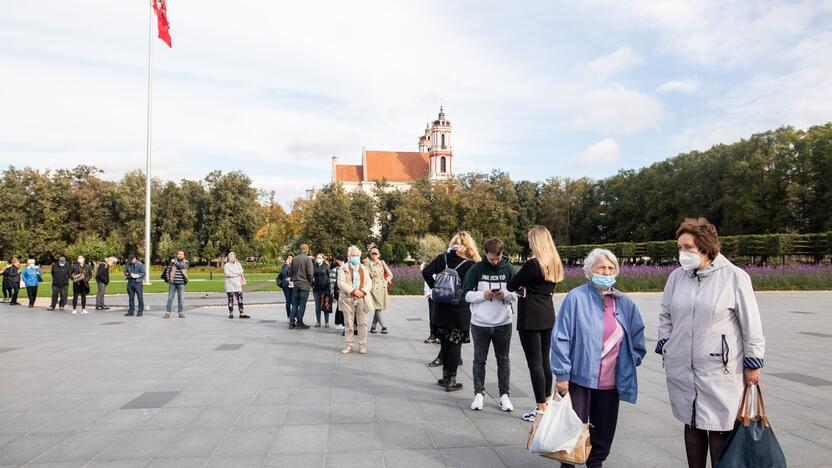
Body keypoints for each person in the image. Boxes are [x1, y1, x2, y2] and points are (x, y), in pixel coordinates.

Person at [657, 218, 766, 468]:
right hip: (683, 365)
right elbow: (665, 314)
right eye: (680, 247)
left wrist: (753, 363)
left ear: (704, 248)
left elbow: (752, 324)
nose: (682, 253)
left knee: (718, 427)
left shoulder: (735, 277)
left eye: (687, 247)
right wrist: (666, 342)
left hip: (719, 368)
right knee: (691, 422)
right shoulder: (676, 277)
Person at [552, 248, 646, 468]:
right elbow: (561, 337)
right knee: (571, 433)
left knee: (602, 437)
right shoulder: (575, 298)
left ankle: (595, 465)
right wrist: (562, 374)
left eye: (611, 268)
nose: (606, 272)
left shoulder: (625, 303)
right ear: (589, 271)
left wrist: (629, 362)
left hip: (611, 384)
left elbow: (637, 337)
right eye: (601, 267)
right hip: (578, 380)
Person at [507, 226, 563, 422]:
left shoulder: (532, 264)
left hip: (530, 314)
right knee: (544, 360)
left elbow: (511, 285)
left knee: (534, 363)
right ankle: (546, 402)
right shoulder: (554, 262)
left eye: (531, 240)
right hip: (547, 312)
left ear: (536, 242)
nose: (529, 243)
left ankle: (540, 407)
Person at [462, 237, 516, 411]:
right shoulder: (476, 269)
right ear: (485, 253)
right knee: (479, 360)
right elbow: (466, 294)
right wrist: (482, 295)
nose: (495, 261)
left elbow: (518, 294)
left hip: (503, 322)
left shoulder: (509, 268)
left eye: (498, 258)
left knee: (504, 360)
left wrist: (505, 295)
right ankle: (479, 394)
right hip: (480, 323)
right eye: (492, 258)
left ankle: (504, 396)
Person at [422, 231, 480, 392]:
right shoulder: (472, 264)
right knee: (455, 344)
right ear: (469, 245)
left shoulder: (443, 258)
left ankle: (444, 377)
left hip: (440, 307)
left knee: (446, 343)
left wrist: (437, 288)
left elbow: (426, 271)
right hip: (459, 309)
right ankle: (451, 381)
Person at [338, 245, 373, 354]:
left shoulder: (363, 268)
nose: (355, 257)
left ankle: (362, 345)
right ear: (349, 256)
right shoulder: (343, 268)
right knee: (348, 323)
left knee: (362, 323)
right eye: (353, 255)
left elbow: (369, 282)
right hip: (348, 299)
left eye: (357, 255)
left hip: (362, 298)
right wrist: (353, 291)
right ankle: (349, 345)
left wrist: (362, 291)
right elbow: (341, 283)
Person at [365, 247, 393, 334]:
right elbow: (365, 274)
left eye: (375, 254)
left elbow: (390, 274)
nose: (374, 255)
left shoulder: (382, 262)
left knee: (379, 308)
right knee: (378, 307)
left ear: (378, 255)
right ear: (370, 254)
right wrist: (370, 273)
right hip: (373, 288)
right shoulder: (367, 263)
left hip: (382, 287)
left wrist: (386, 281)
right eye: (372, 253)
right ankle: (383, 326)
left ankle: (373, 327)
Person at [289, 244, 314, 329]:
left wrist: (293, 279)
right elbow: (310, 273)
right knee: (302, 304)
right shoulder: (307, 259)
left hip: (296, 284)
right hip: (304, 284)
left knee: (295, 303)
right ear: (307, 250)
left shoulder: (294, 259)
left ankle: (291, 322)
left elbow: (290, 272)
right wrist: (310, 282)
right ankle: (300, 322)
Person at [163, 250, 189, 319]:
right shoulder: (172, 262)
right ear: (177, 255)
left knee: (181, 299)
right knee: (170, 298)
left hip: (181, 283)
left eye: (181, 254)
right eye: (179, 254)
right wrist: (169, 279)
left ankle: (180, 313)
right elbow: (167, 270)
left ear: (184, 256)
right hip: (173, 283)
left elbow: (181, 266)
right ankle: (168, 313)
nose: (180, 255)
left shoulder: (186, 262)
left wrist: (175, 262)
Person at [224, 252, 249, 319]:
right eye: (230, 257)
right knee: (230, 300)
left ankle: (242, 313)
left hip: (237, 285)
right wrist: (236, 274)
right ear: (228, 258)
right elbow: (227, 274)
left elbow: (241, 271)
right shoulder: (226, 265)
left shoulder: (238, 264)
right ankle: (231, 313)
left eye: (233, 257)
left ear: (235, 257)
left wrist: (233, 273)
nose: (232, 258)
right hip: (229, 285)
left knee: (240, 299)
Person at [312, 253, 331, 327]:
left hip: (325, 289)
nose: (318, 259)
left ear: (323, 259)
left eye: (320, 257)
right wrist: (312, 284)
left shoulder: (326, 266)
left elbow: (329, 277)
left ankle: (326, 322)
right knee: (317, 306)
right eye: (317, 257)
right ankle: (318, 322)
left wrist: (329, 288)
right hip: (316, 289)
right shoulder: (314, 266)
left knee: (325, 305)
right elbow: (311, 276)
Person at [277, 253, 294, 323]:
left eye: (291, 258)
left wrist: (291, 278)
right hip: (286, 286)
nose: (290, 259)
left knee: (293, 301)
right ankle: (289, 316)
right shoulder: (285, 266)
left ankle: (293, 316)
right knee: (288, 301)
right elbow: (283, 273)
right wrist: (286, 264)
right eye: (289, 258)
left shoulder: (295, 266)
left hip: (293, 285)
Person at [330, 255, 345, 330]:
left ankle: (340, 322)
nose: (342, 262)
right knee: (340, 307)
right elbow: (332, 282)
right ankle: (338, 323)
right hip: (338, 291)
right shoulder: (335, 269)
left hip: (342, 291)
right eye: (341, 261)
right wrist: (332, 293)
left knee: (340, 307)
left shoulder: (343, 268)